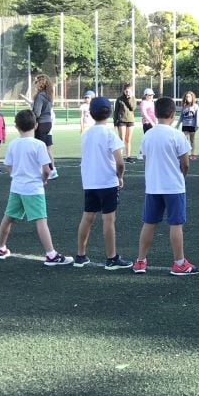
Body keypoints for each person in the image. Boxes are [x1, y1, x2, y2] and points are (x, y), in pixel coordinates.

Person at [134, 97, 199, 275]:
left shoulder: (148, 135)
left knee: (149, 223)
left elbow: (145, 161)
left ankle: (140, 261)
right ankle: (179, 262)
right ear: (173, 114)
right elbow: (185, 163)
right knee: (176, 224)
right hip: (174, 187)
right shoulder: (177, 135)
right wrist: (182, 175)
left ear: (155, 113)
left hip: (153, 187)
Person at [0, 109, 72, 265]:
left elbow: (8, 166)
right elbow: (46, 169)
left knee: (8, 218)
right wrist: (43, 179)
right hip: (33, 188)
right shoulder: (39, 145)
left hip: (17, 187)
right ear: (36, 125)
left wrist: (16, 176)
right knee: (40, 220)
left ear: (16, 126)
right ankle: (51, 254)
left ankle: (1, 247)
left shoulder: (13, 144)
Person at [75, 96, 132, 270]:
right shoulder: (109, 134)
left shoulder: (86, 134)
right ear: (109, 113)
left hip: (90, 182)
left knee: (87, 217)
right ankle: (111, 257)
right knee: (108, 219)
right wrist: (120, 176)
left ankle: (80, 255)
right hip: (107, 182)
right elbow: (120, 162)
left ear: (91, 113)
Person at [26, 74, 57, 179]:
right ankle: (52, 170)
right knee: (47, 148)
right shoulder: (49, 95)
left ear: (40, 84)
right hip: (48, 123)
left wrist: (32, 115)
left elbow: (37, 112)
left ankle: (48, 171)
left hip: (41, 123)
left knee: (41, 149)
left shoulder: (40, 96)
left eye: (36, 83)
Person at [114, 84, 137, 162]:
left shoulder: (133, 99)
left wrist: (129, 98)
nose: (127, 92)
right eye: (126, 91)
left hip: (130, 121)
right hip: (121, 121)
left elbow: (133, 108)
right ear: (124, 91)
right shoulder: (119, 99)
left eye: (129, 91)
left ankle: (128, 157)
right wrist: (115, 122)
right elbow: (116, 111)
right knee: (122, 139)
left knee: (128, 139)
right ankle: (120, 157)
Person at [176, 91, 199, 161]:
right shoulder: (184, 106)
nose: (188, 98)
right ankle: (185, 154)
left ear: (192, 97)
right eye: (186, 97)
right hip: (185, 125)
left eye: (189, 96)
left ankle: (192, 154)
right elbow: (181, 117)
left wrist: (197, 125)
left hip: (192, 125)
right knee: (184, 140)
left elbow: (197, 116)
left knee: (192, 140)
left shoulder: (196, 106)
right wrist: (177, 125)